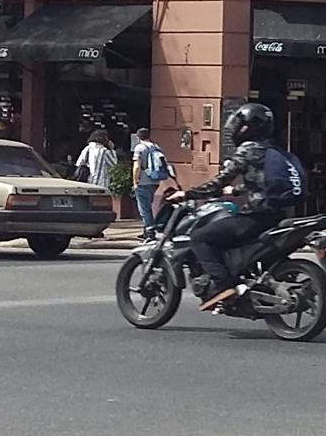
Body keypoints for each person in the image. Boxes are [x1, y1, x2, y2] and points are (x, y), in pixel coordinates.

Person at [186, 102, 306, 310]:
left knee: (200, 238)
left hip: (256, 217)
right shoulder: (274, 150)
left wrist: (188, 193)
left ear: (246, 127)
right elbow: (261, 181)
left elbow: (221, 180)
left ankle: (223, 286)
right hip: (280, 215)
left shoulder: (248, 149)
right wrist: (237, 191)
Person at [130, 126, 173, 240]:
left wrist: (135, 181)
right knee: (148, 205)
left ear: (138, 137)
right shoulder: (156, 146)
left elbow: (137, 166)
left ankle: (149, 232)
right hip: (154, 180)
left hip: (143, 181)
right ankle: (147, 230)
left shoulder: (139, 147)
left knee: (144, 208)